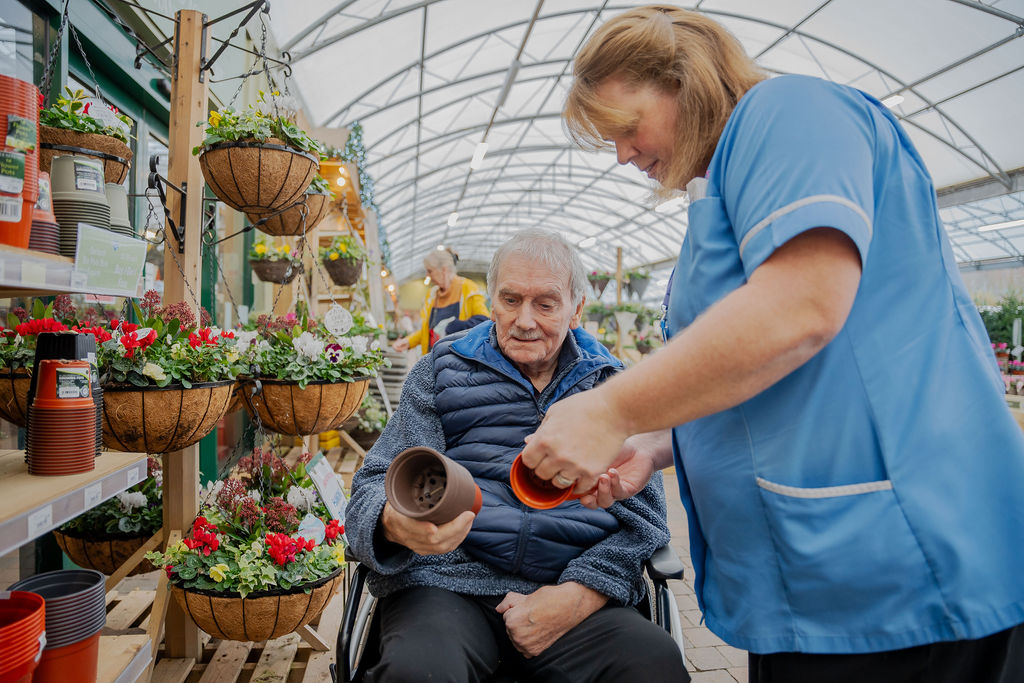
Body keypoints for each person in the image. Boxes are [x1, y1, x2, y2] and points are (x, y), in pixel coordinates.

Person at [519, 5, 1024, 682]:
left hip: (896, 571)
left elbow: (801, 307)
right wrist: (660, 444)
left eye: (625, 127)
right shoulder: (720, 191)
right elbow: (764, 370)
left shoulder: (790, 111)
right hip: (815, 584)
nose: (623, 154)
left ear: (683, 81)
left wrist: (609, 411)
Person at [346, 229, 688, 683]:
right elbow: (371, 486)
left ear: (577, 309)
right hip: (449, 586)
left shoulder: (613, 387)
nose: (524, 321)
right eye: (510, 300)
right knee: (419, 672)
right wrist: (392, 524)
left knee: (653, 667)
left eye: (545, 305)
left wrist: (579, 595)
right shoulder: (440, 372)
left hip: (573, 592)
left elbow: (644, 524)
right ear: (491, 301)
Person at [392, 247, 489, 354]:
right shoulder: (432, 295)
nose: (427, 276)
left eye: (430, 271)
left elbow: (483, 322)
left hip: (458, 361)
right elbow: (428, 331)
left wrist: (452, 326)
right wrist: (408, 341)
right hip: (432, 358)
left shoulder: (468, 288)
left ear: (444, 270)